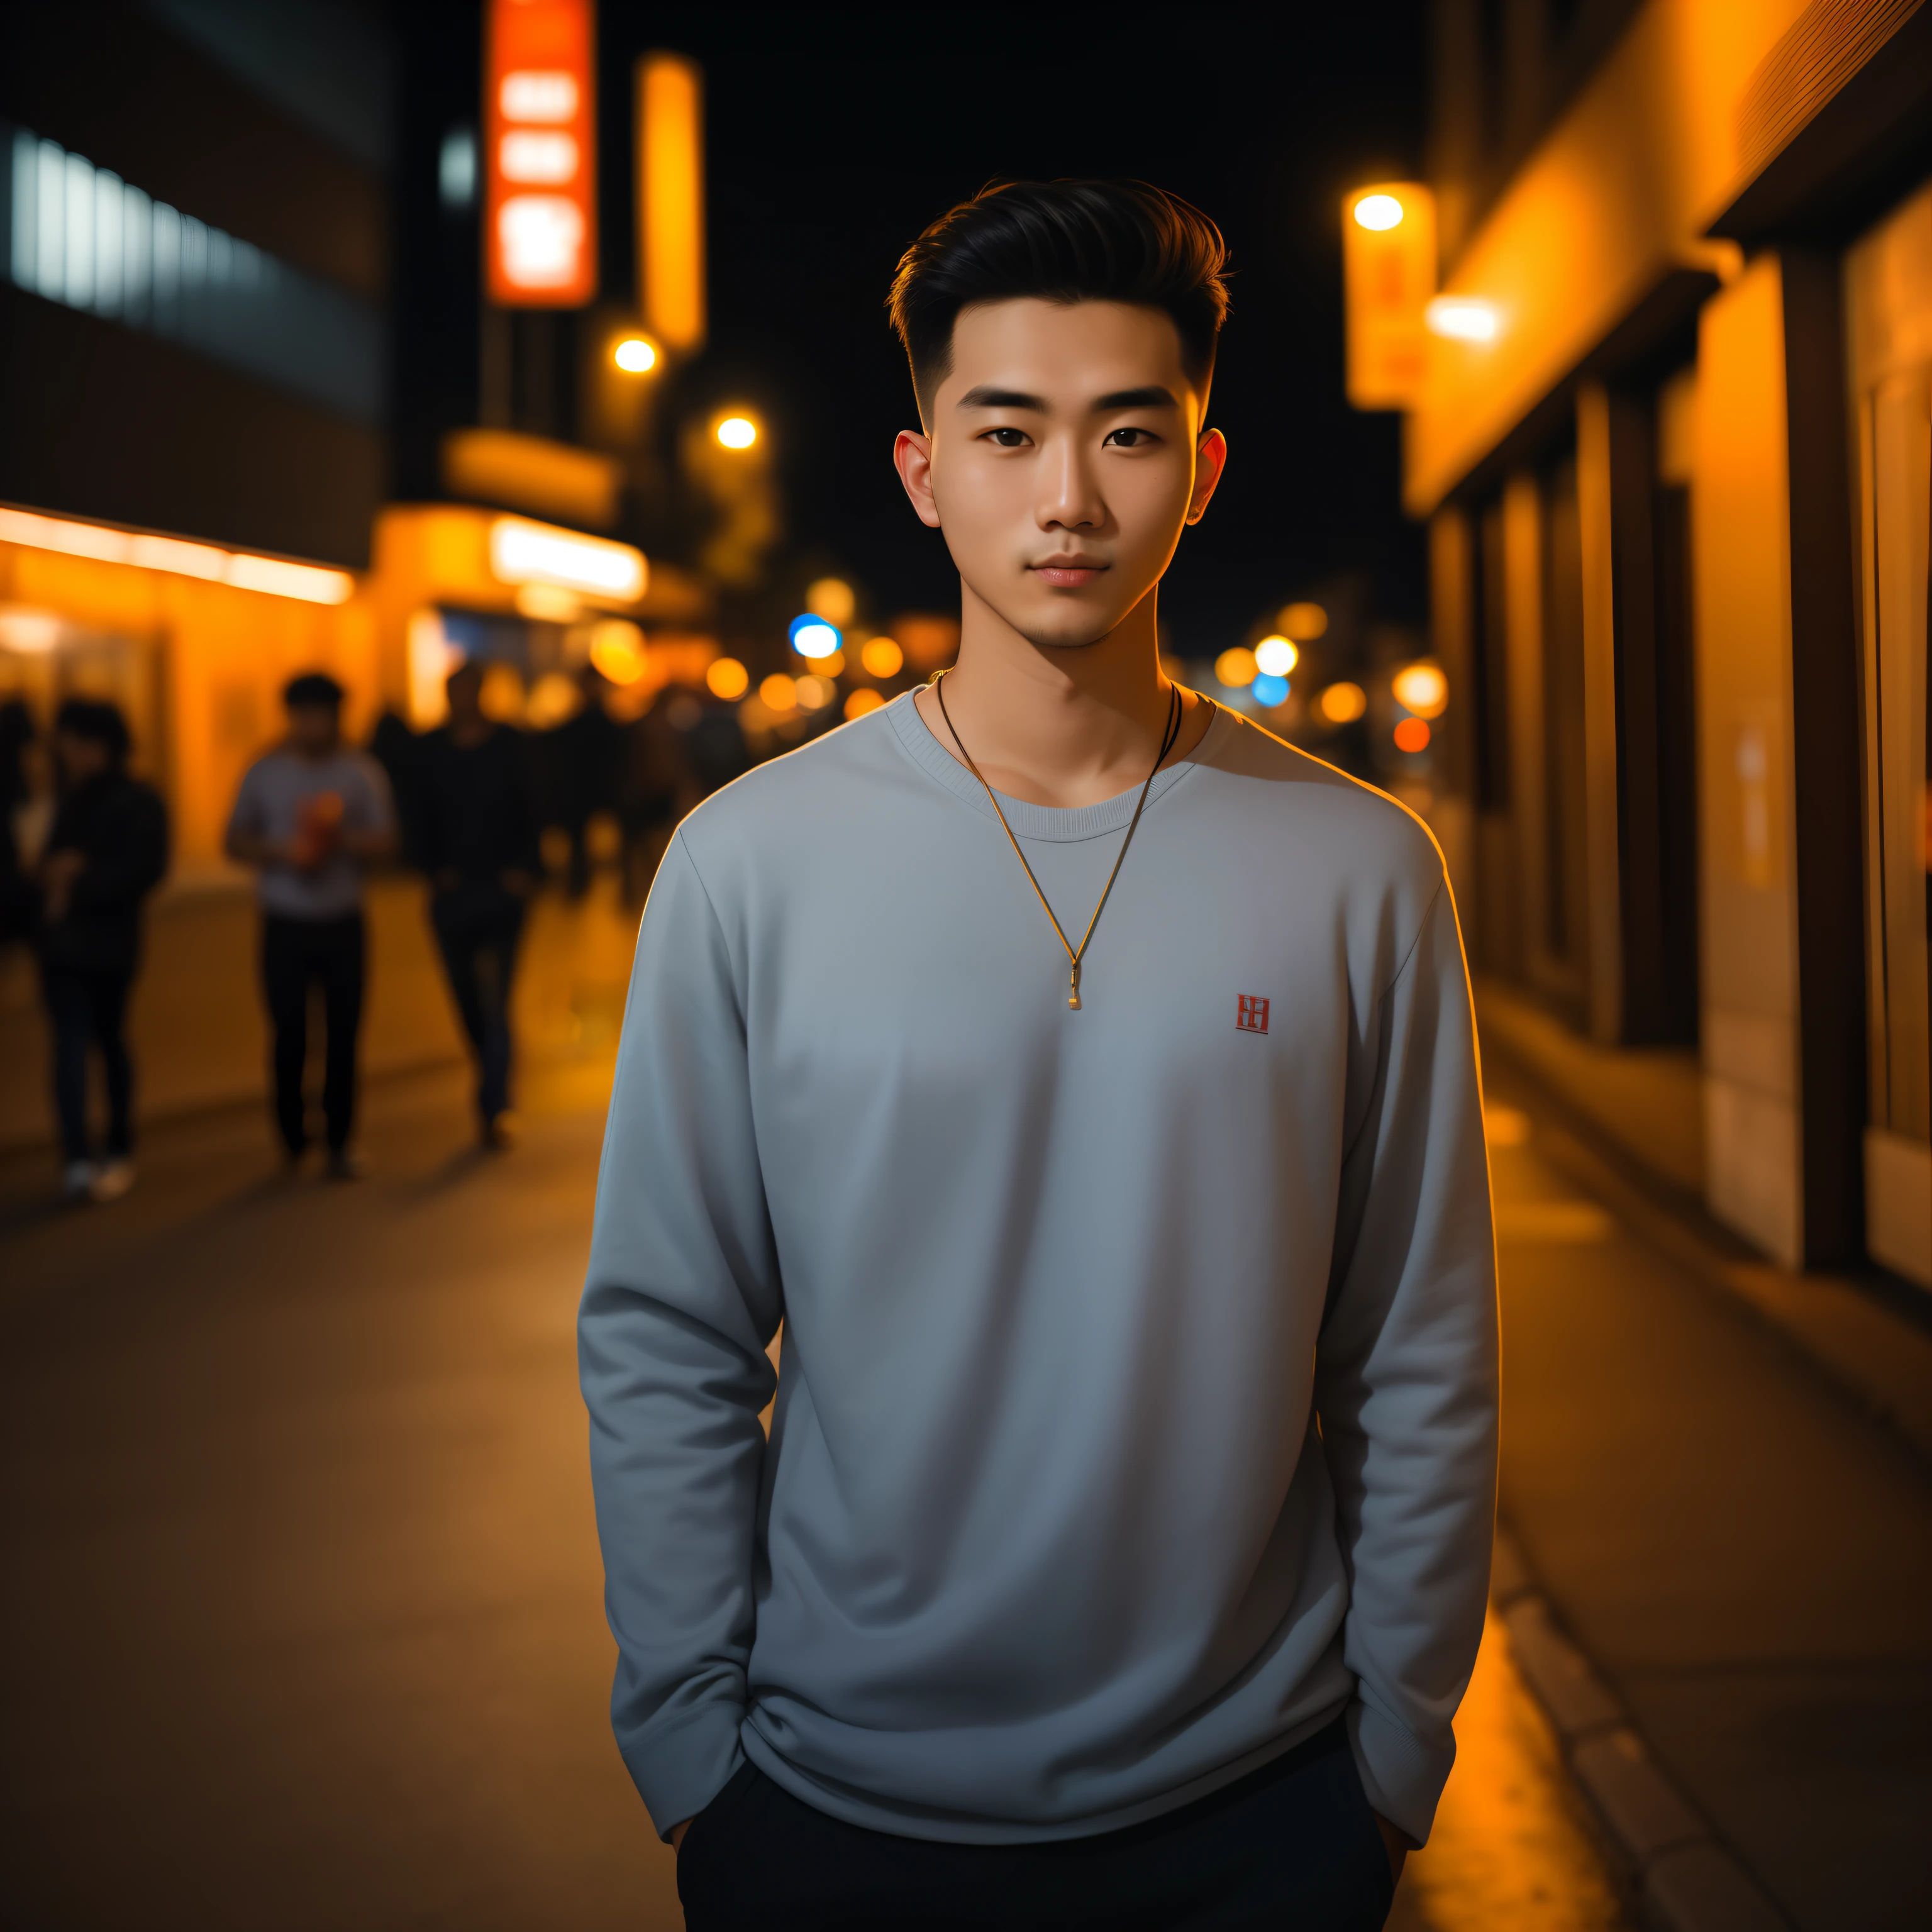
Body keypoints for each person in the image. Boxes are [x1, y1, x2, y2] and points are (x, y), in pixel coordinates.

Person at [580, 180, 1498, 1931]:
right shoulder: (747, 864)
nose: (1068, 498)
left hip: (1267, 1805)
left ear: (1202, 470)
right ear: (925, 471)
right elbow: (668, 1329)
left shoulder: (1361, 866)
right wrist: (695, 1757)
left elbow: (1419, 1344)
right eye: (1006, 434)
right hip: (826, 1816)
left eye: (1127, 434)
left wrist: (1394, 1759)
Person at [225, 671, 395, 1178]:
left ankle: (341, 1140)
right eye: (307, 715)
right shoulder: (265, 771)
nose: (316, 725)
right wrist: (283, 851)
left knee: (344, 1033)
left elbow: (388, 842)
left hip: (342, 919)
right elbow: (234, 840)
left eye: (325, 715)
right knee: (289, 1032)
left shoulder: (360, 773)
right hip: (285, 920)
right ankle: (292, 1138)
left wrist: (338, 839)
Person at [34, 697, 169, 1202]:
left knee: (106, 1043)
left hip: (107, 944)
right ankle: (79, 1154)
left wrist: (78, 876)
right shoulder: (64, 799)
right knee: (73, 1047)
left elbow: (145, 870)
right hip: (65, 946)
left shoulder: (132, 801)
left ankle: (113, 1147)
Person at [411, 658, 541, 1147]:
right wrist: (432, 869)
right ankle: (489, 1075)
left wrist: (524, 870)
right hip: (453, 892)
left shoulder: (511, 746)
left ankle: (496, 1100)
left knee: (498, 998)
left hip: (503, 890)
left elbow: (534, 806)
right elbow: (415, 813)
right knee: (466, 997)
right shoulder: (431, 751)